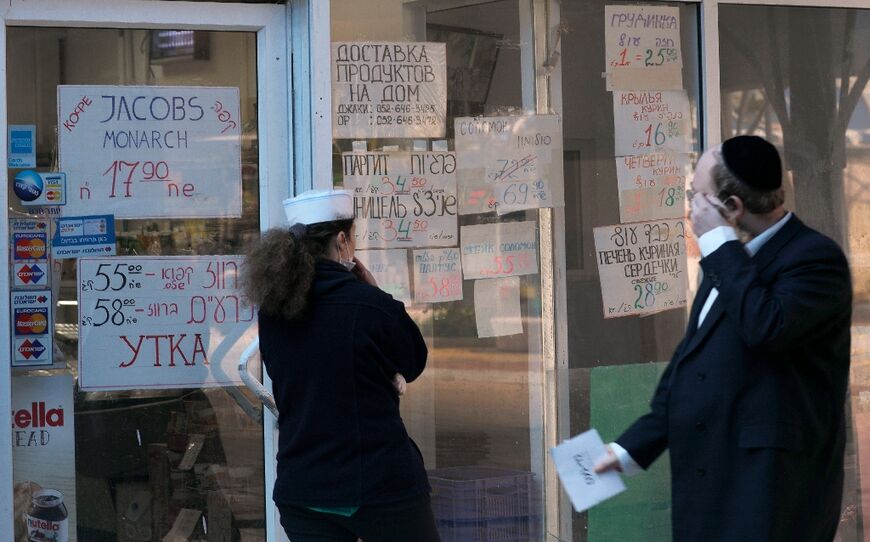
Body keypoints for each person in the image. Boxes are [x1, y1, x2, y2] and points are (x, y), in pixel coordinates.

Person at [594, 135, 852, 541]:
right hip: (709, 483)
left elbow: (766, 327)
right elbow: (691, 364)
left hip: (769, 493)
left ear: (731, 207)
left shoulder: (814, 258)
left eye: (697, 195)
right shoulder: (723, 259)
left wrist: (718, 241)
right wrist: (630, 449)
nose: (691, 206)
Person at [242, 189, 440, 542]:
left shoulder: (273, 313)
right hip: (382, 489)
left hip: (304, 492)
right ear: (343, 240)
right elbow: (413, 361)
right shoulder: (371, 306)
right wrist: (378, 295)